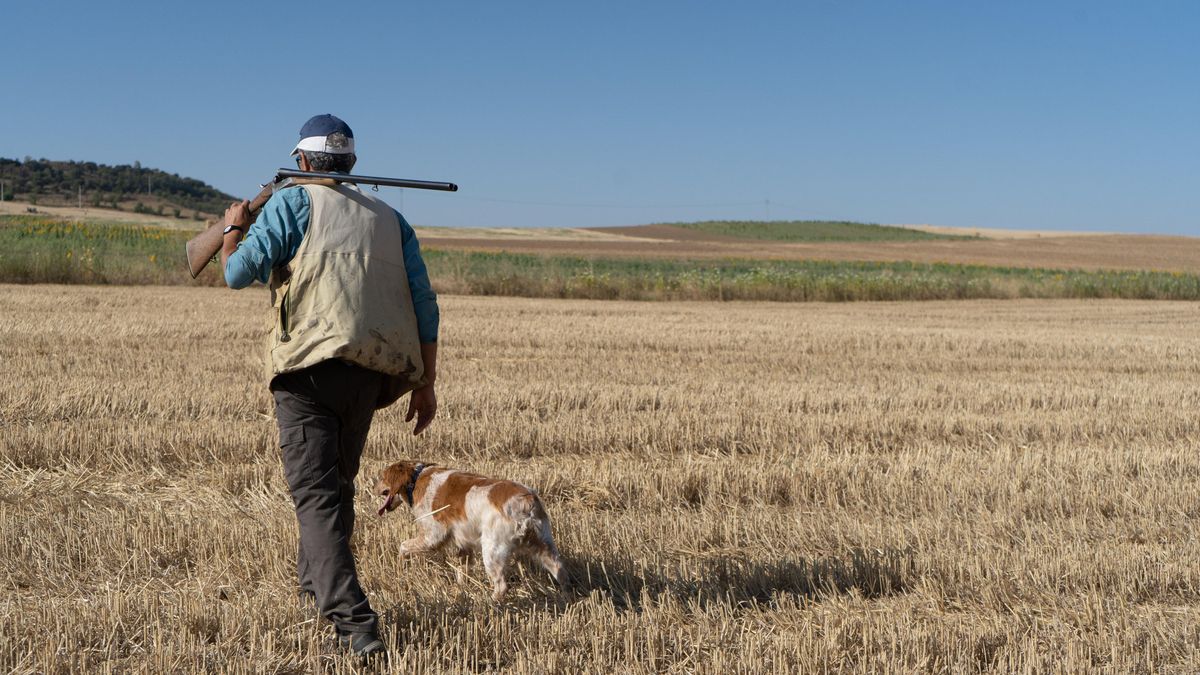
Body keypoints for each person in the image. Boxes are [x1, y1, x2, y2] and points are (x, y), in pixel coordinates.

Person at [219, 113, 439, 659]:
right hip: (369, 374)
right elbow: (425, 306)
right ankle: (315, 590)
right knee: (337, 488)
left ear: (301, 162)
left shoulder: (294, 203)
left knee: (316, 498)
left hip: (307, 373)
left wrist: (231, 227)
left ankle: (355, 623)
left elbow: (235, 272)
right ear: (353, 164)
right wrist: (426, 383)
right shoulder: (391, 218)